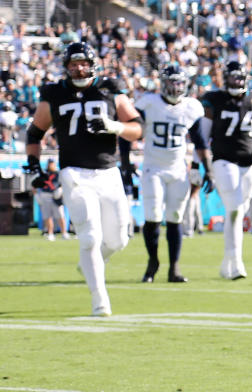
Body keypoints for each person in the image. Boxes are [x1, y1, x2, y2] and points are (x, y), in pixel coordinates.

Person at [23, 41, 143, 316]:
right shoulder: (54, 92)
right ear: (66, 67)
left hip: (108, 171)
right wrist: (33, 165)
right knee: (89, 235)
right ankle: (99, 299)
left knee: (118, 240)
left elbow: (138, 128)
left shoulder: (109, 88)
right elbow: (35, 133)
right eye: (73, 64)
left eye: (83, 63)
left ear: (92, 65)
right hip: (74, 172)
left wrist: (115, 126)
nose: (78, 68)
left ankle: (90, 263)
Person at [200, 60, 252, 280]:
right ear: (225, 78)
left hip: (249, 161)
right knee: (235, 209)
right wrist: (197, 162)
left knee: (237, 212)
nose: (237, 81)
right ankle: (236, 263)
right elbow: (203, 135)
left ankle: (227, 263)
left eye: (240, 77)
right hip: (223, 159)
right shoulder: (214, 99)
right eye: (233, 77)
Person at [135, 63, 208, 283]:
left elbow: (199, 140)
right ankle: (152, 261)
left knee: (176, 219)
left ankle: (174, 268)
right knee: (153, 217)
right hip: (153, 167)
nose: (176, 87)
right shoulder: (149, 103)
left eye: (179, 83)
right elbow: (129, 130)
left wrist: (207, 169)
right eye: (172, 82)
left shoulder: (191, 107)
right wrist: (126, 163)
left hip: (178, 169)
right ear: (163, 84)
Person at [34, 158, 69, 241]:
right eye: (50, 163)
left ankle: (64, 233)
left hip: (56, 197)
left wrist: (60, 190)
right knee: (47, 216)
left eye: (52, 163)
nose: (50, 165)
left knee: (60, 216)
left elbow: (63, 183)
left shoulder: (58, 173)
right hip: (45, 196)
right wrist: (37, 194)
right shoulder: (43, 173)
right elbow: (36, 185)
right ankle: (50, 233)